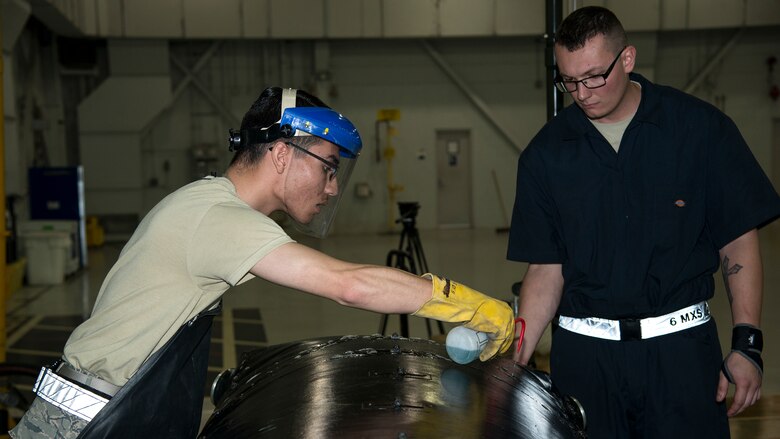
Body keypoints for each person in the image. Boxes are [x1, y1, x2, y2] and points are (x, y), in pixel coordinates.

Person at [11, 87, 514, 438]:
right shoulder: (217, 217)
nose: (333, 186)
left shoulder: (214, 207)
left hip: (120, 410)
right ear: (281, 154)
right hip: (86, 423)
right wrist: (472, 307)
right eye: (328, 167)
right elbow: (350, 285)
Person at [507, 6, 780, 438]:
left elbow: (738, 241)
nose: (582, 92)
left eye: (595, 75)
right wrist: (514, 359)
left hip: (681, 356)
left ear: (628, 58)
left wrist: (748, 344)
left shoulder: (700, 130)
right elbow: (545, 268)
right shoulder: (545, 156)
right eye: (569, 81)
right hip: (585, 362)